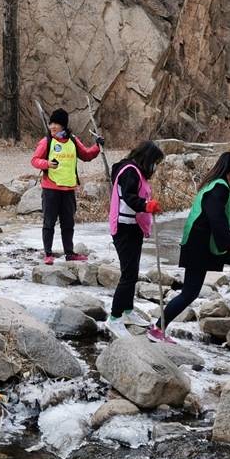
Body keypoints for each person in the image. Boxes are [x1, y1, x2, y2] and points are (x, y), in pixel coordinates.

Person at [149, 150, 230, 344]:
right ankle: (157, 329)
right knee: (190, 292)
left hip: (209, 243)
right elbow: (216, 220)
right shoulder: (218, 188)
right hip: (199, 245)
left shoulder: (222, 186)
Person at [106, 140, 166, 334]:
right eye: (155, 162)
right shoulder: (130, 171)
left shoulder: (136, 171)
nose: (155, 167)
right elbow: (130, 198)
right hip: (124, 228)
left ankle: (128, 310)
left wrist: (147, 207)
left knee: (133, 271)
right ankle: (114, 317)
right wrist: (146, 205)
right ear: (147, 158)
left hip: (134, 227)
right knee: (128, 273)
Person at [30, 108, 101, 264]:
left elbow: (87, 155)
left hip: (69, 189)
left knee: (68, 224)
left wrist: (97, 146)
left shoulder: (73, 140)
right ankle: (48, 254)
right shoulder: (46, 141)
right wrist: (47, 164)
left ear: (63, 125)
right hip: (51, 189)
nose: (52, 127)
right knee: (49, 223)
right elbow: (35, 160)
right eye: (51, 123)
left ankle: (70, 253)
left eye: (56, 124)